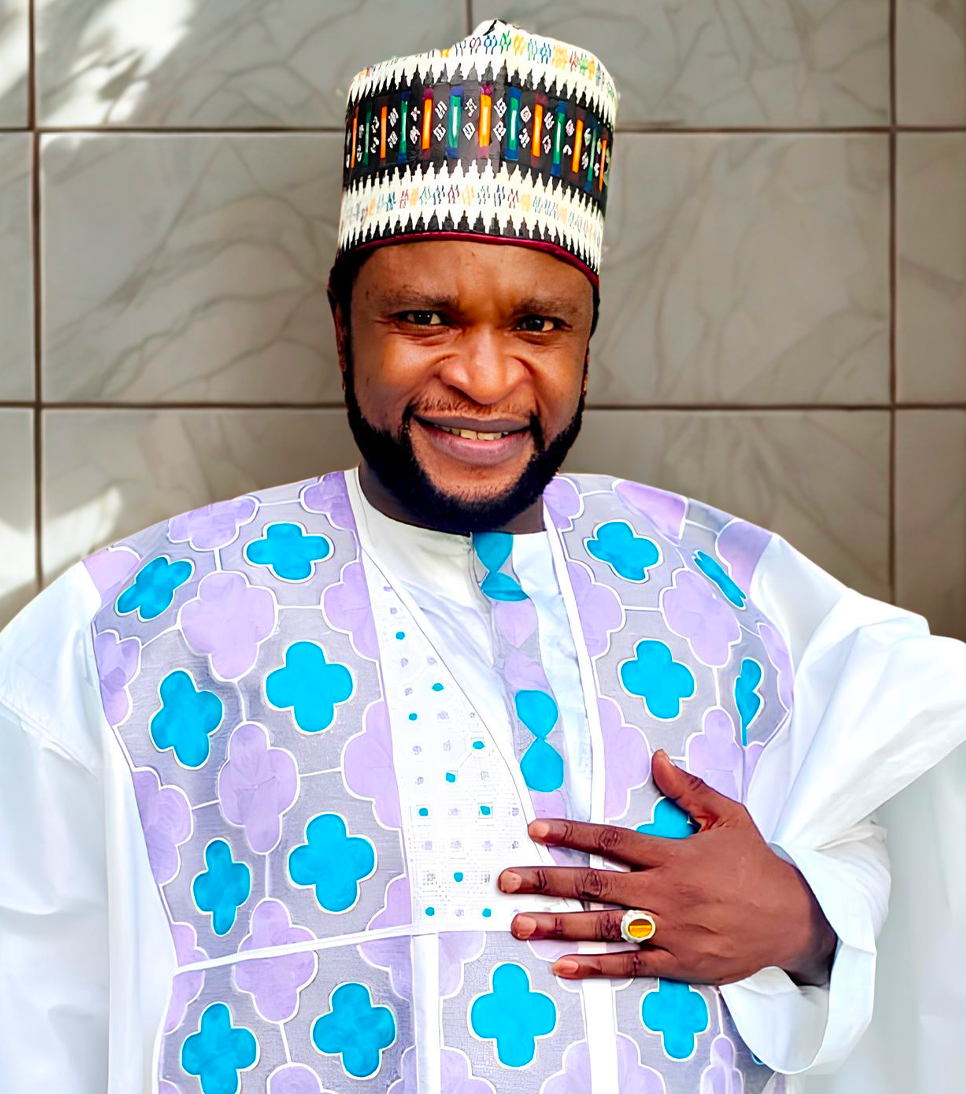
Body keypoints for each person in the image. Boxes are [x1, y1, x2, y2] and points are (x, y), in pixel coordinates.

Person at [1, 20, 963, 1094]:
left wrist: (805, 919)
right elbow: (26, 985)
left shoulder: (723, 589)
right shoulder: (149, 620)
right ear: (343, 329)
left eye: (539, 326)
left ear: (586, 340)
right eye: (425, 317)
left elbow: (911, 782)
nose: (487, 377)